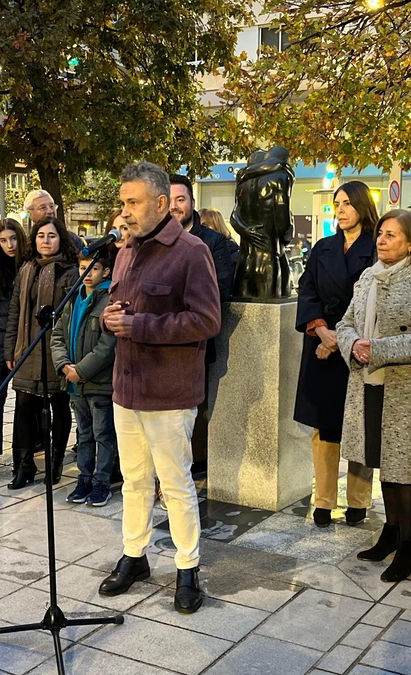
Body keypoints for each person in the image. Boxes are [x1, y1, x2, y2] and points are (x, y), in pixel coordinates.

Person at [97, 161, 220, 614]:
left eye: (133, 202)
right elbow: (120, 303)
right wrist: (112, 318)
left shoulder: (190, 251)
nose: (124, 211)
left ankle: (188, 569)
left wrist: (139, 324)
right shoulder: (125, 249)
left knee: (175, 484)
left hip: (169, 392)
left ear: (162, 203)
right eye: (122, 202)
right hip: (126, 388)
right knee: (133, 481)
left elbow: (206, 320)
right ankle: (135, 557)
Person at [336, 210, 411, 581]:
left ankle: (408, 547)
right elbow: (345, 322)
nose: (382, 240)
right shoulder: (368, 276)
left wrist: (379, 348)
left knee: (405, 471)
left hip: (406, 388)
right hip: (367, 382)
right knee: (381, 461)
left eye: (391, 235)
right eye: (381, 234)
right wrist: (353, 344)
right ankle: (390, 532)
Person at [294, 181, 378, 528]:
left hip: (357, 347)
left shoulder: (377, 247)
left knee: (359, 425)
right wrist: (322, 330)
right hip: (321, 344)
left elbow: (374, 299)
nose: (340, 210)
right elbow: (307, 288)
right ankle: (324, 500)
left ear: (362, 206)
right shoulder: (323, 247)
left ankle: (358, 501)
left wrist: (340, 339)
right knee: (324, 428)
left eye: (347, 203)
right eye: (337, 203)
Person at [169, 173, 238, 474]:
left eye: (180, 200)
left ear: (192, 203)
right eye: (168, 201)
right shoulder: (152, 241)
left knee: (194, 411)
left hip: (195, 343)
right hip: (158, 343)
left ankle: (194, 464)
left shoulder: (213, 243)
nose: (174, 207)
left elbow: (218, 293)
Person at [4, 216, 79, 489]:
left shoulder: (71, 272)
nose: (45, 241)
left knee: (58, 406)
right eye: (41, 236)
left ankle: (55, 463)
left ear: (61, 239)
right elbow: (14, 311)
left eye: (52, 236)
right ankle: (23, 466)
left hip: (56, 349)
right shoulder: (26, 269)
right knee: (24, 407)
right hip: (27, 347)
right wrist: (10, 347)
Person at [51, 247, 117, 507]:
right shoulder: (73, 297)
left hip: (98, 382)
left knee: (103, 433)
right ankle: (84, 478)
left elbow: (107, 345)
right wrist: (65, 366)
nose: (87, 274)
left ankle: (103, 482)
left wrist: (82, 370)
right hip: (74, 382)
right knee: (84, 434)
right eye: (83, 268)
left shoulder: (109, 299)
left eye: (94, 268)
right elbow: (57, 335)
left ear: (106, 271)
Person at [0, 218, 27, 485]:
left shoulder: (30, 266)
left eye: (13, 239)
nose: (9, 245)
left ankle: (22, 460)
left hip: (23, 347)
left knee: (24, 407)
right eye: (3, 240)